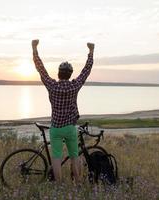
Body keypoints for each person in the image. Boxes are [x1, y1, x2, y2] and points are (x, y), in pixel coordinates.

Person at [32, 39, 94, 183]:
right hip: (70, 128)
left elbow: (40, 68)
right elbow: (86, 71)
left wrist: (34, 49)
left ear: (59, 73)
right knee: (74, 156)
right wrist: (91, 52)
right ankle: (78, 181)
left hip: (56, 128)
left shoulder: (52, 85)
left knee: (56, 157)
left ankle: (59, 183)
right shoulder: (74, 86)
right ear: (70, 74)